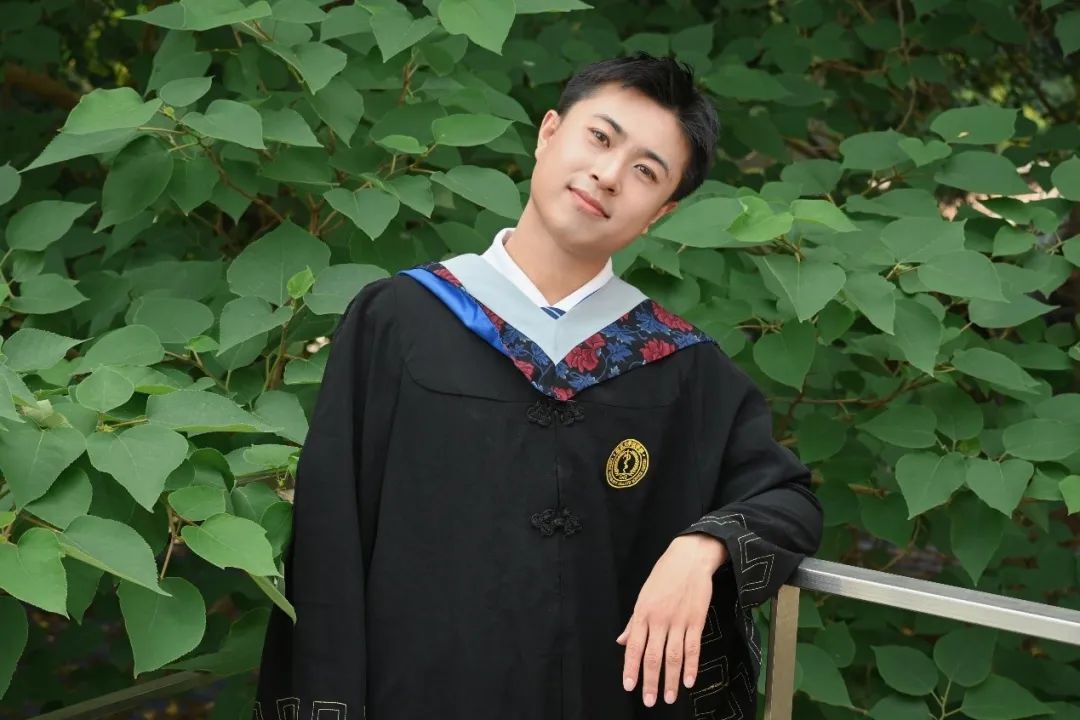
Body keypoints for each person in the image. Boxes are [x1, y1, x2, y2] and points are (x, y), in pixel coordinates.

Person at [253, 52, 823, 720]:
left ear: (660, 214)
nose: (608, 175)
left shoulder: (678, 367)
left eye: (645, 171)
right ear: (549, 133)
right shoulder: (399, 321)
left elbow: (787, 499)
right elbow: (328, 542)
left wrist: (704, 547)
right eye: (600, 138)